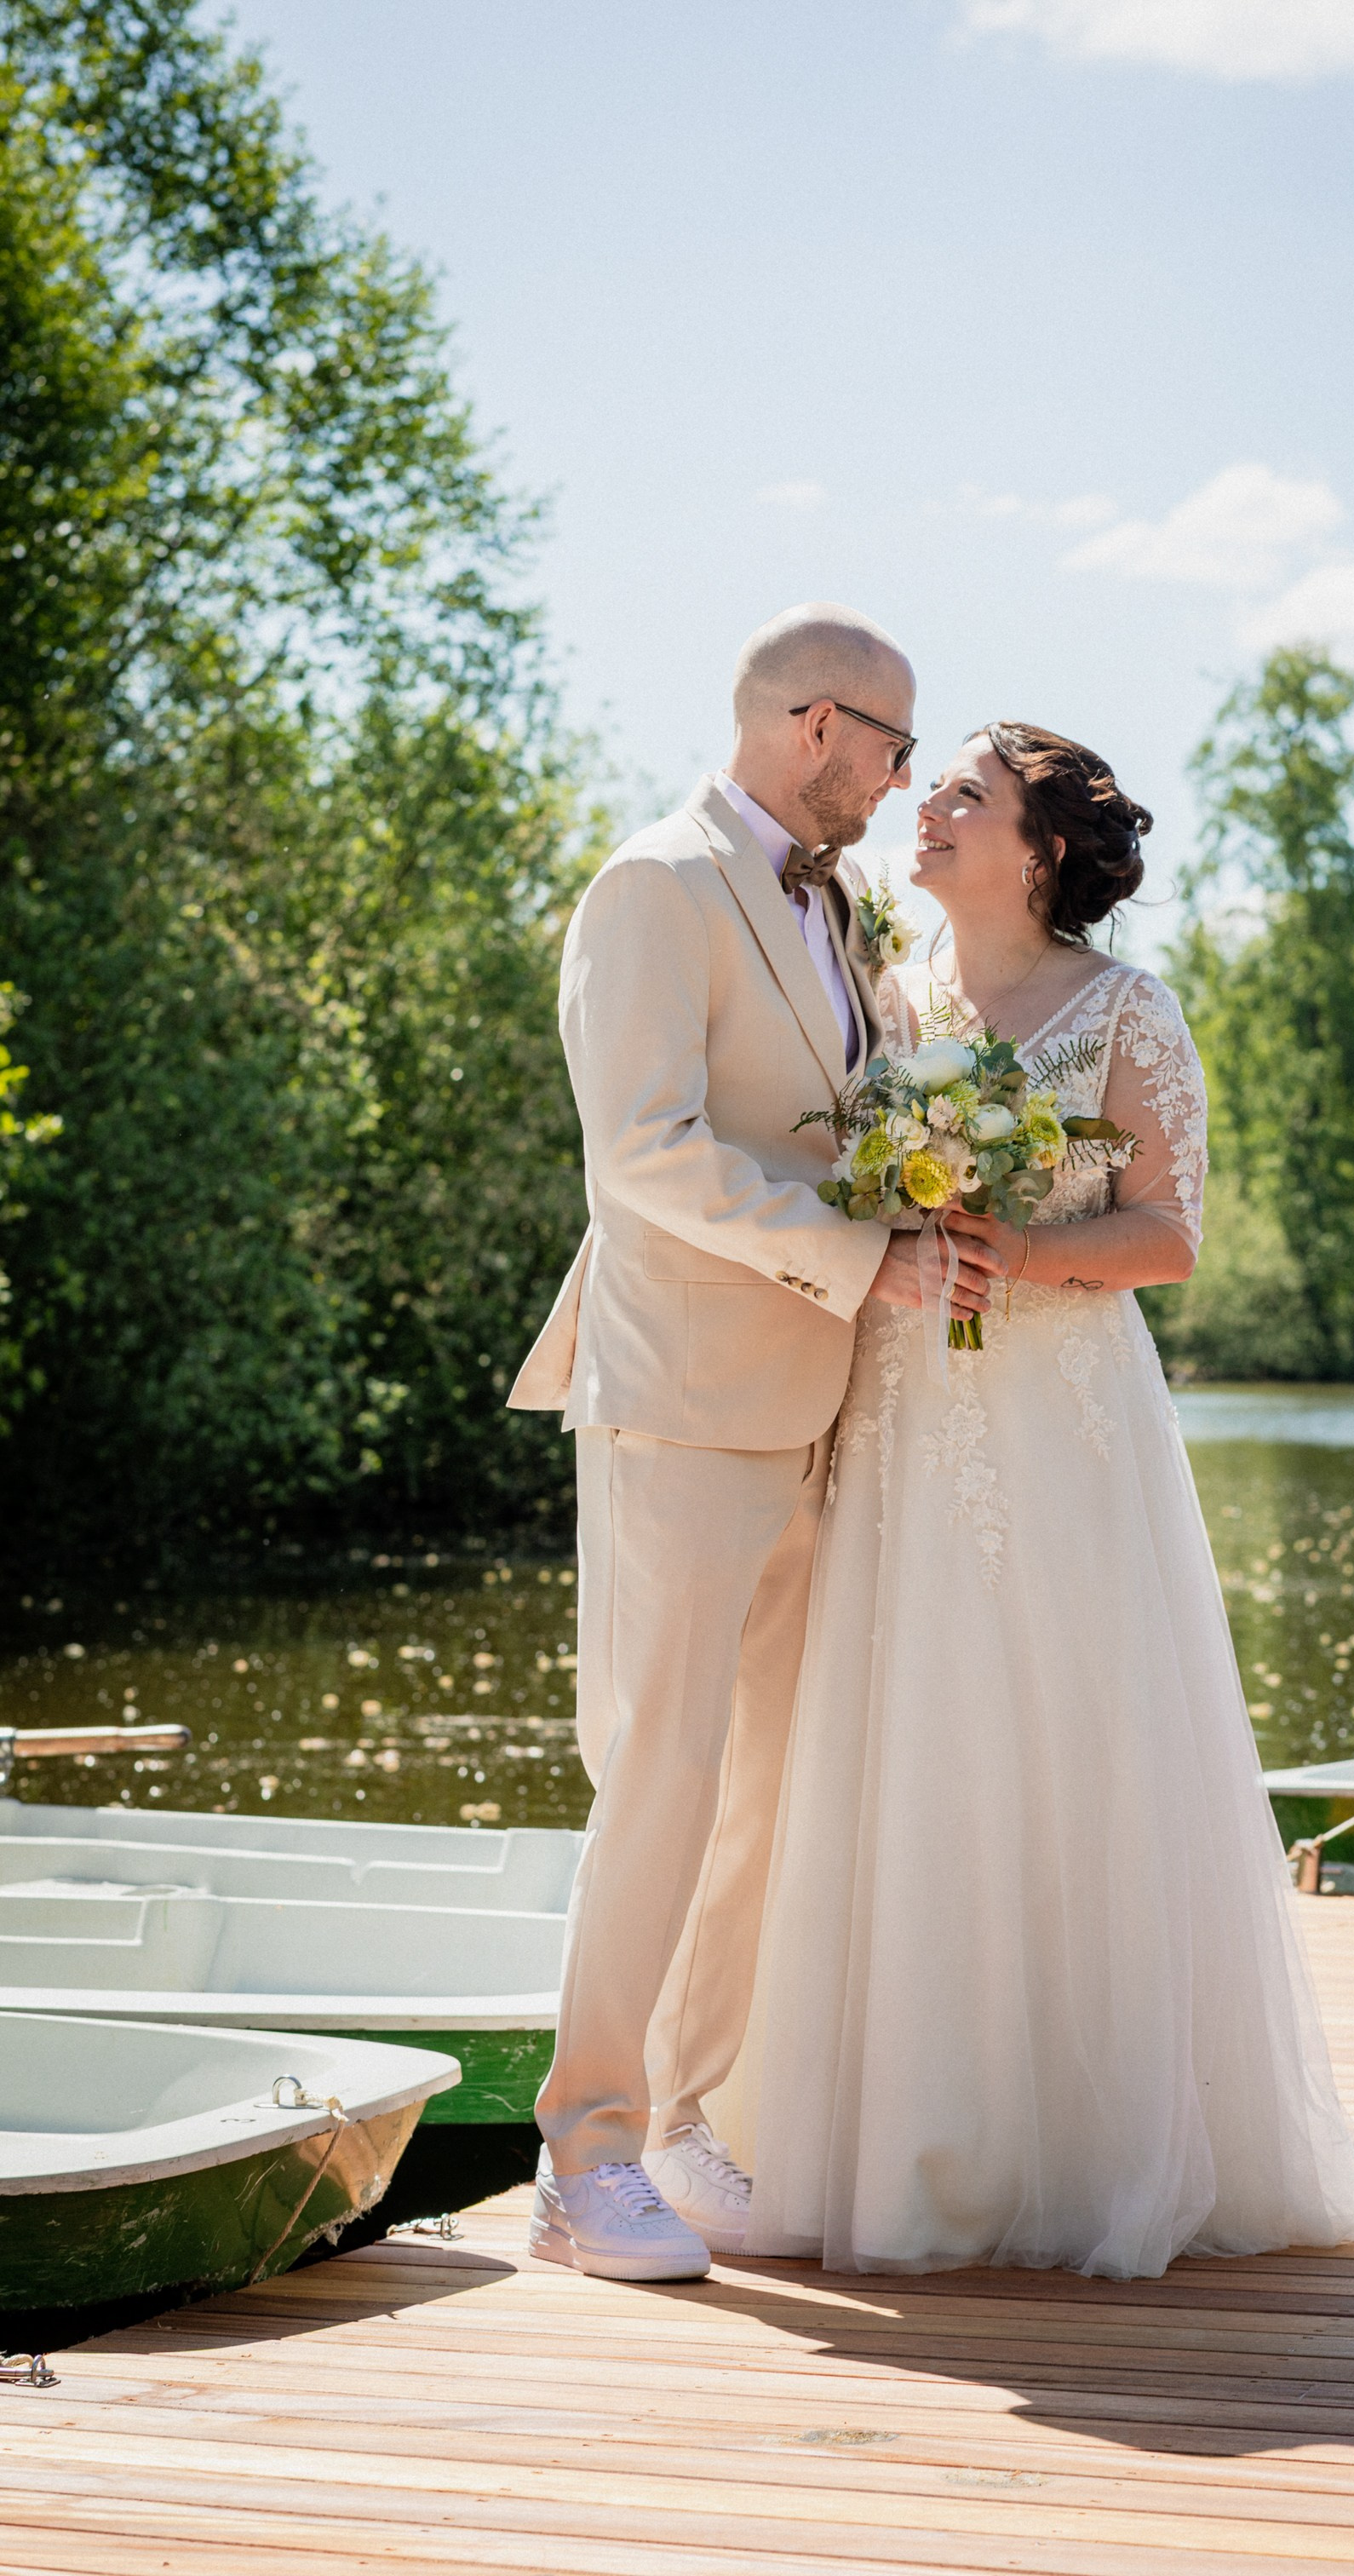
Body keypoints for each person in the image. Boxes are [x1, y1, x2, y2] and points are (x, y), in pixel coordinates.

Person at [722, 722, 1354, 2277]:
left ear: (1038, 851)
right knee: (903, 1732)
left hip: (1062, 1423)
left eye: (964, 793)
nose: (928, 809)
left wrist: (1017, 1248)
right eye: (934, 786)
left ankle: (1081, 2151)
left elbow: (1168, 1234)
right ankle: (889, 2140)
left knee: (1068, 1739)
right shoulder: (892, 998)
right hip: (901, 1412)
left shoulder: (1126, 1012)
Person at [505, 606, 1001, 2281]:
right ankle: (585, 2157)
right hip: (684, 1402)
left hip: (819, 1410)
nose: (901, 778)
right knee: (666, 1774)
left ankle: (689, 2120)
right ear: (814, 725)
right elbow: (640, 1154)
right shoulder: (651, 889)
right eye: (893, 745)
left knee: (764, 1793)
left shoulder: (841, 913)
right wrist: (865, 1253)